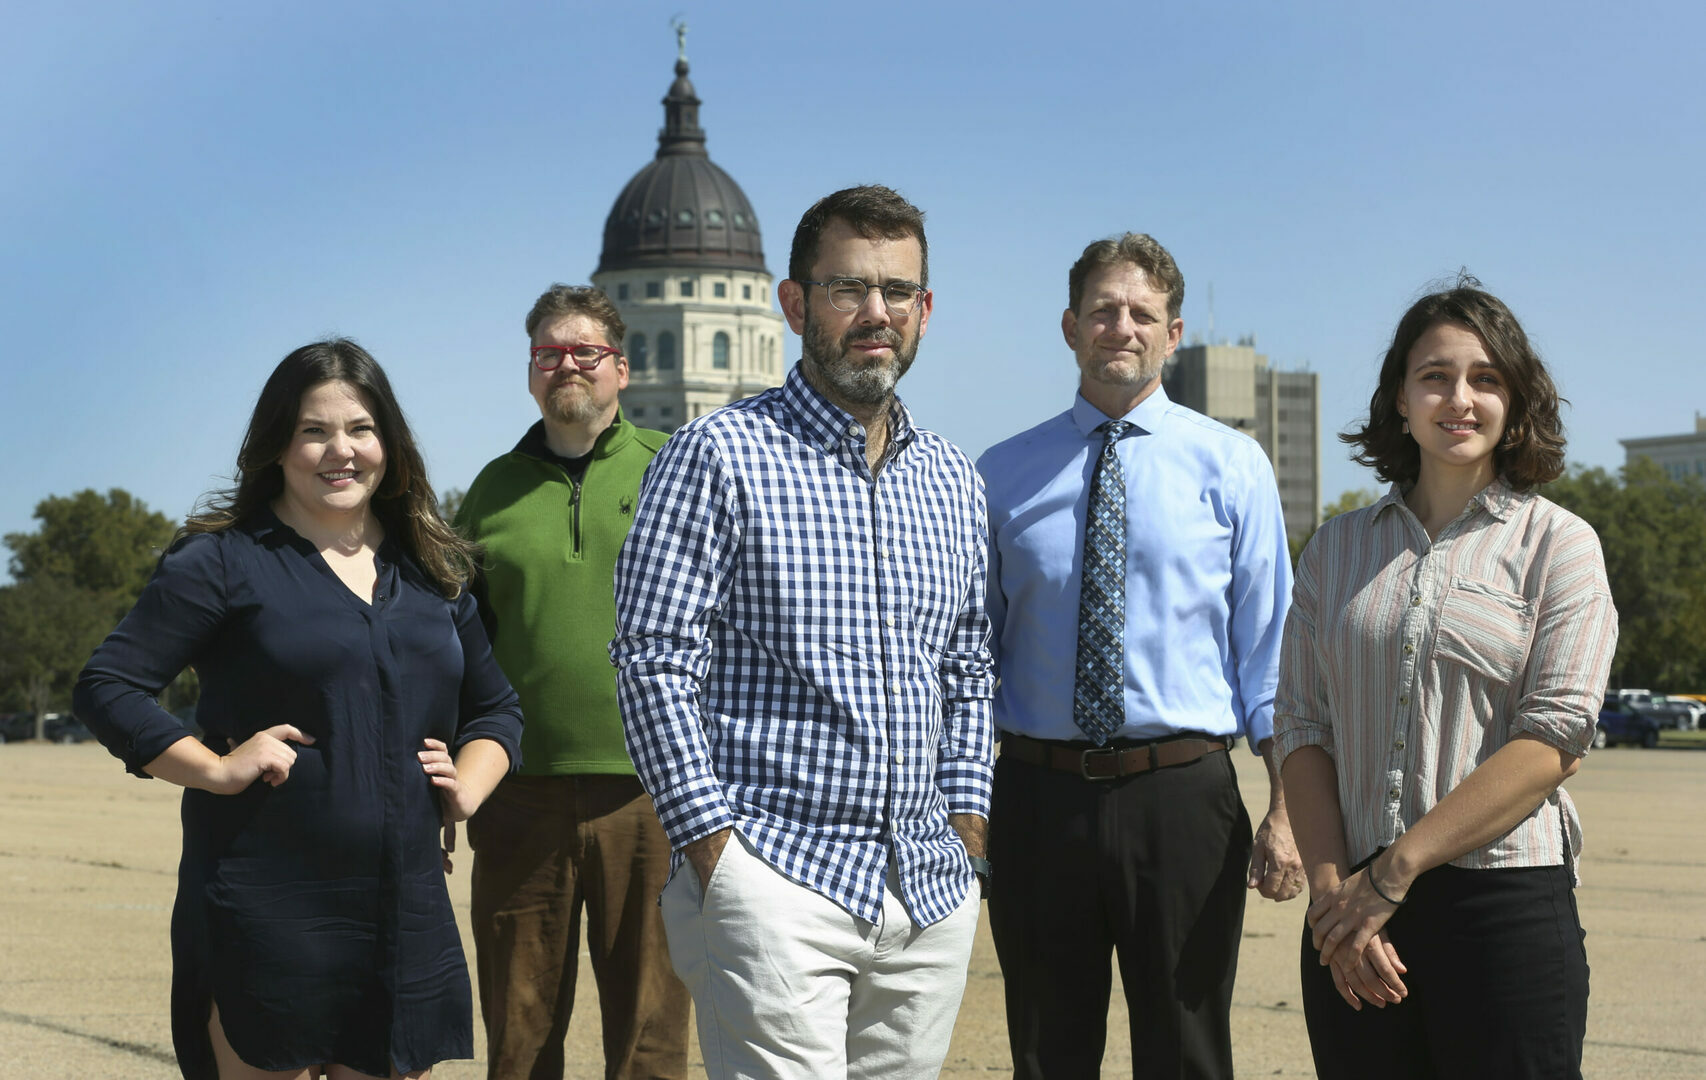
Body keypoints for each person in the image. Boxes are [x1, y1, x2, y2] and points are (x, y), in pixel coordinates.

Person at [610, 184, 993, 1080]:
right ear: (792, 304)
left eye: (897, 292)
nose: (875, 313)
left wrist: (967, 832)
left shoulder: (952, 479)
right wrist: (716, 852)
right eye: (847, 289)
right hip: (774, 875)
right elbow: (652, 661)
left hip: (927, 888)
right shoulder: (714, 455)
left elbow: (969, 668)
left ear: (925, 311)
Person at [73, 340, 524, 1080]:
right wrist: (216, 769)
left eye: (361, 430)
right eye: (314, 431)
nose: (339, 451)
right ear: (278, 444)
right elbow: (109, 685)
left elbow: (497, 710)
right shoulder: (221, 561)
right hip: (267, 905)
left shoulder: (433, 568)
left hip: (402, 909)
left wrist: (463, 788)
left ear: (390, 444)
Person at [1275, 279, 1618, 1078]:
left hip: (1503, 915)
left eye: (1486, 378)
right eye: (1435, 376)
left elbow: (1555, 738)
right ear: (1401, 398)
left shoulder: (1559, 546)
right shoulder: (1335, 549)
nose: (1459, 398)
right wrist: (1337, 902)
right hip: (1353, 910)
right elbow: (1300, 723)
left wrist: (1396, 872)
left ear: (1515, 399)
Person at [979, 232, 1303, 1078]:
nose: (1120, 326)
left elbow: (1272, 658)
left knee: (1188, 1053)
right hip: (1036, 801)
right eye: (1102, 310)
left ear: (1174, 333)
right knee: (1048, 1055)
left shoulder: (1232, 466)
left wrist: (1287, 807)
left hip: (1184, 798)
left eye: (1141, 313)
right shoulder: (1000, 474)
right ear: (1069, 326)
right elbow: (968, 658)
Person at [456, 285, 687, 1079]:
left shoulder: (674, 470)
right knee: (518, 1035)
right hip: (521, 797)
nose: (567, 366)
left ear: (621, 369)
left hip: (653, 799)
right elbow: (461, 645)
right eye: (549, 353)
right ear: (530, 375)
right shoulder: (490, 491)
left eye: (585, 352)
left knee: (650, 1035)